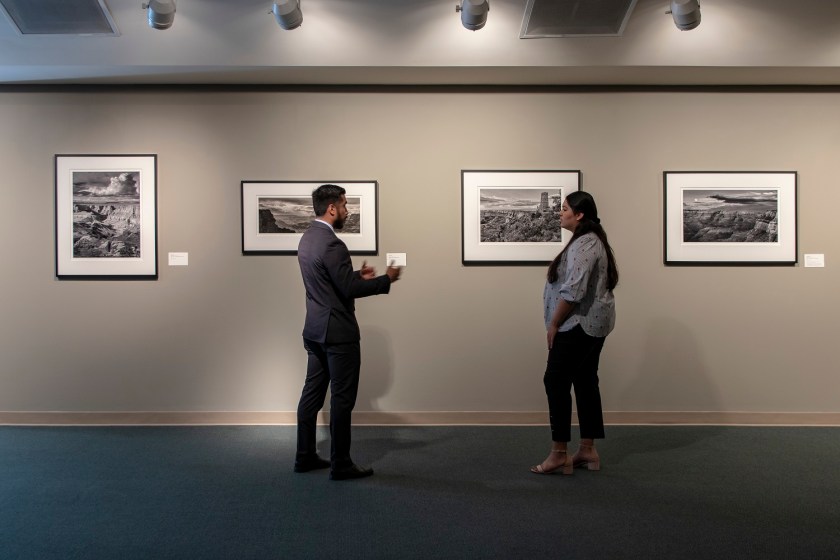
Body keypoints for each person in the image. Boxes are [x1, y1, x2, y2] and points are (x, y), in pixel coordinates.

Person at [294, 184, 401, 481]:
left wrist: (354, 274)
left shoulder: (307, 239)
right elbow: (348, 290)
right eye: (343, 204)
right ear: (331, 208)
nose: (346, 210)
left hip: (314, 330)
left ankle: (304, 456)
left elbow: (330, 282)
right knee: (342, 399)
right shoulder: (333, 244)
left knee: (311, 395)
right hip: (338, 334)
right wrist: (385, 280)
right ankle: (341, 464)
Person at [531, 191, 618, 475]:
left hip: (578, 324)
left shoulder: (585, 244)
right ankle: (588, 451)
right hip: (592, 324)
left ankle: (559, 453)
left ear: (579, 215)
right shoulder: (590, 241)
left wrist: (554, 323)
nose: (560, 212)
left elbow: (574, 291)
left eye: (565, 208)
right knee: (585, 381)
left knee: (555, 380)